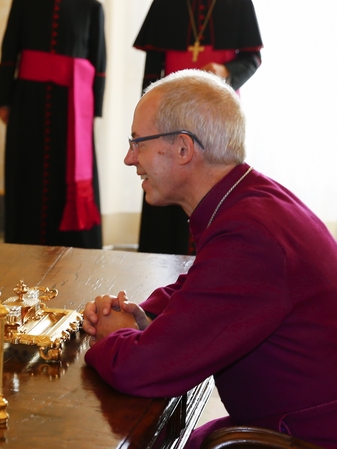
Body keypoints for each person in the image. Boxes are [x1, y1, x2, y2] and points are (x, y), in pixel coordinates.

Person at [82, 70, 337, 448]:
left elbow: (141, 370)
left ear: (184, 149)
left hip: (301, 437)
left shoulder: (251, 235)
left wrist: (113, 334)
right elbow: (205, 285)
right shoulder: (250, 197)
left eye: (138, 142)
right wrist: (139, 314)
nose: (129, 158)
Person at [133, 0, 263, 255]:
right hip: (169, 114)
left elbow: (252, 58)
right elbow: (152, 68)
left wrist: (225, 70)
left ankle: (215, 255)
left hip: (217, 116)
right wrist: (145, 120)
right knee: (164, 178)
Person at [0, 0, 106, 248]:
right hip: (28, 103)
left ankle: (74, 245)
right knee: (27, 171)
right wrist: (4, 99)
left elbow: (99, 61)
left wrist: (94, 109)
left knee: (66, 171)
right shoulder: (24, 4)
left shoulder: (91, 7)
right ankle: (23, 240)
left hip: (72, 107)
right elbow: (9, 50)